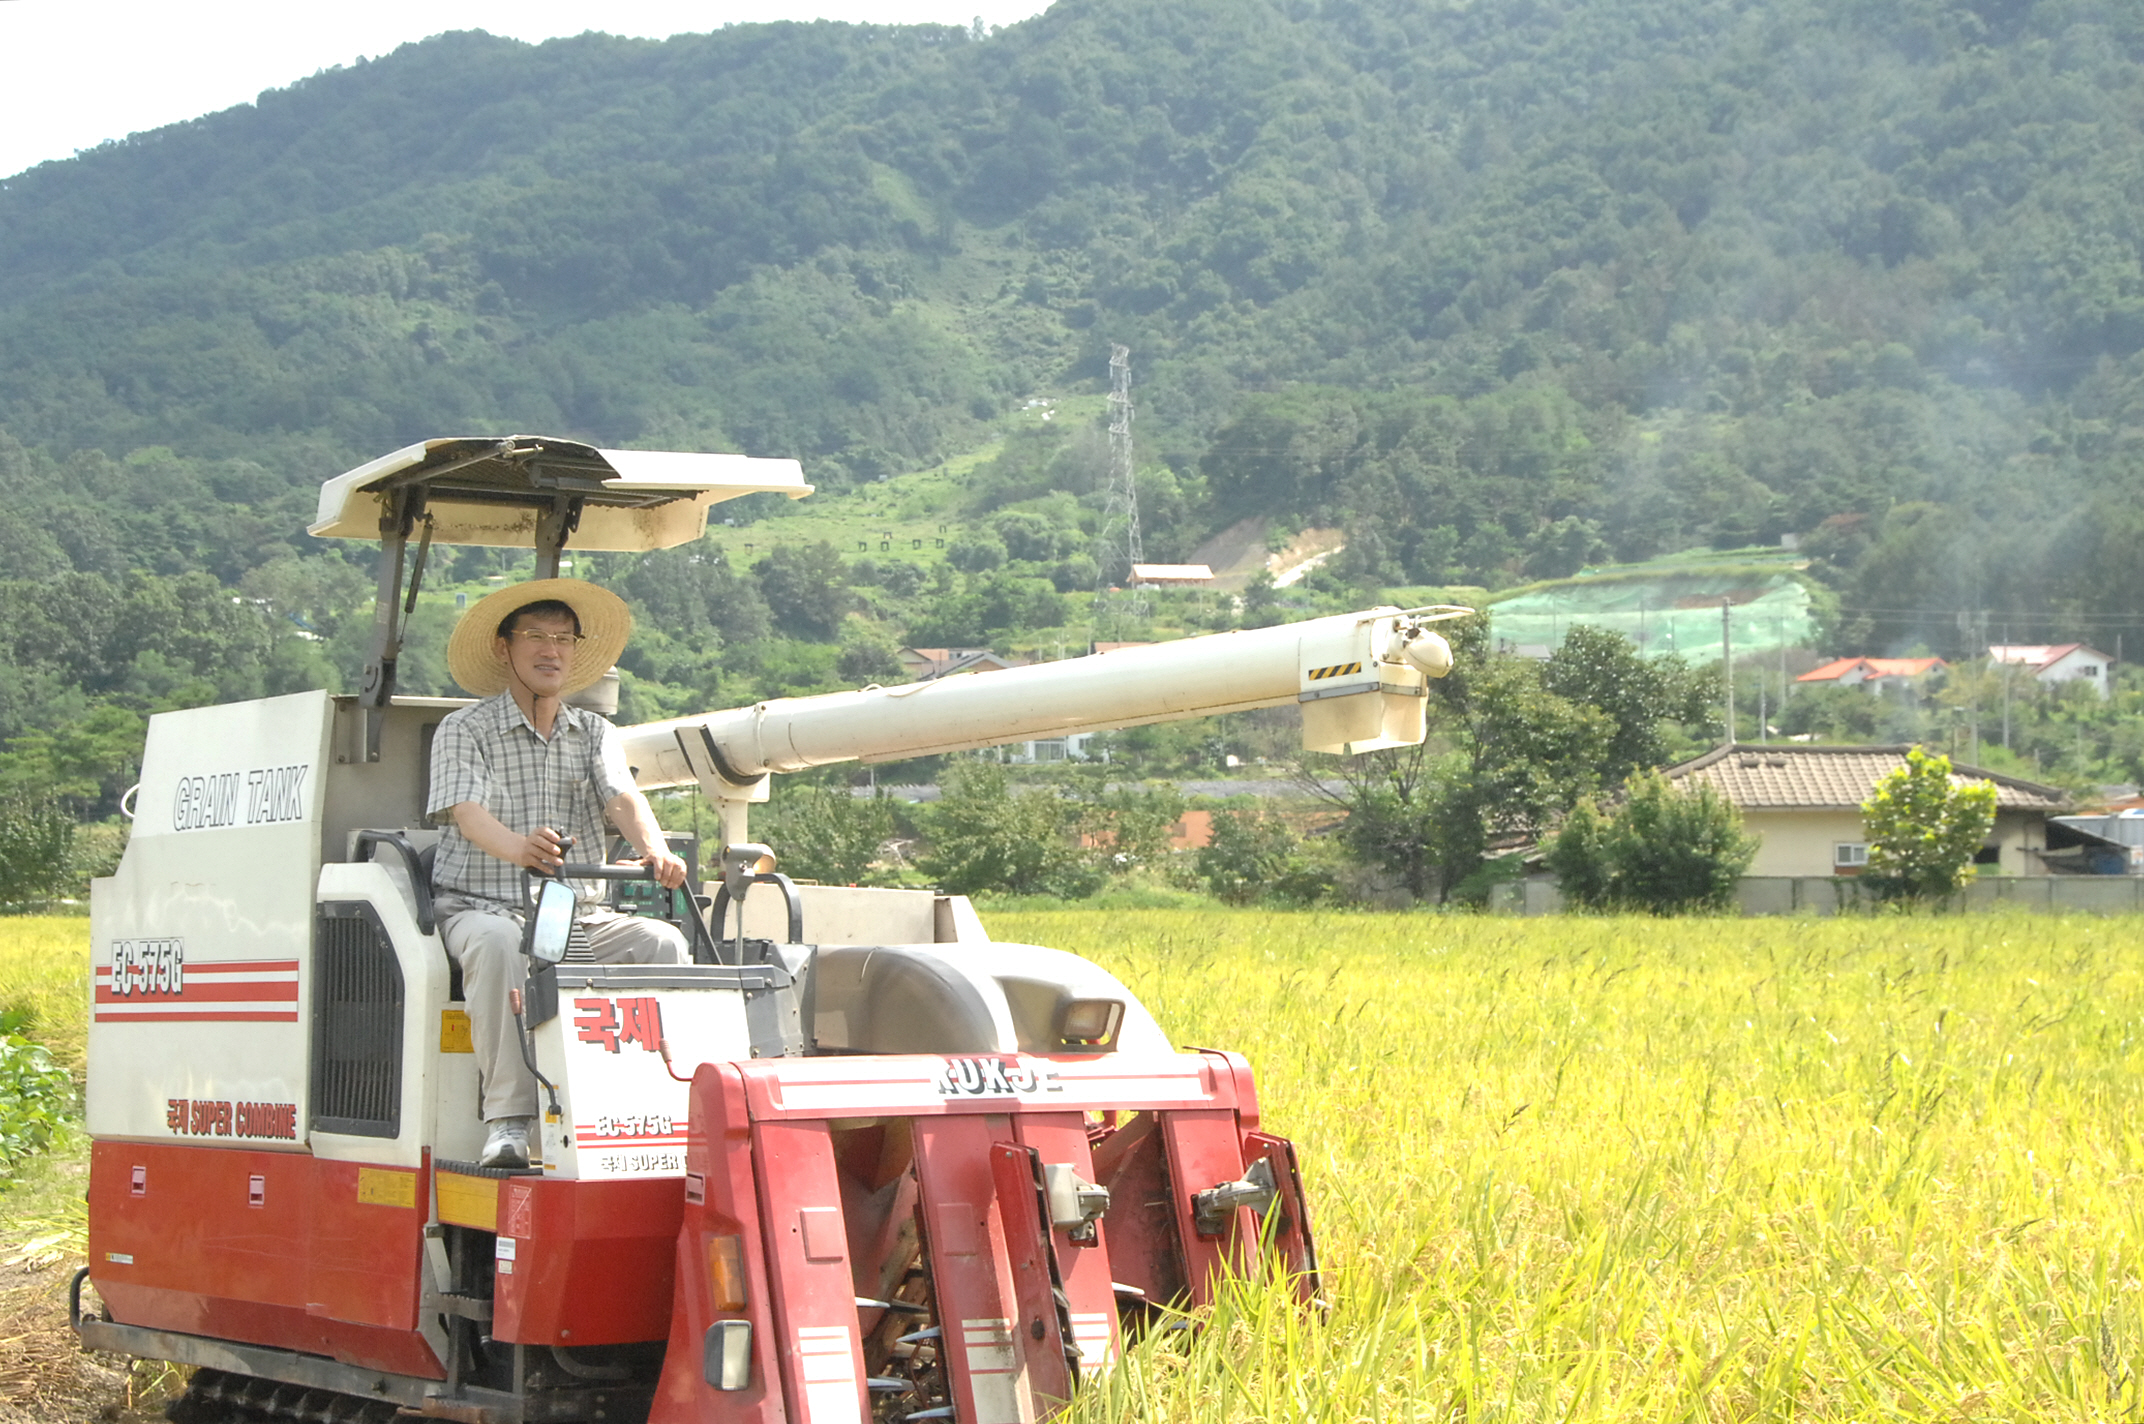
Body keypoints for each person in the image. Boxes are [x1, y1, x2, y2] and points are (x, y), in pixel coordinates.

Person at [428, 578, 689, 1168]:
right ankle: (508, 1122)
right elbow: (469, 817)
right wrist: (521, 848)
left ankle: (652, 1104)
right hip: (483, 904)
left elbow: (622, 796)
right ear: (504, 648)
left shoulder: (594, 731)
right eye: (536, 637)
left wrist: (653, 847)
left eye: (563, 639)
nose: (552, 651)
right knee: (498, 946)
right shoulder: (464, 730)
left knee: (662, 941)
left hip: (578, 912)